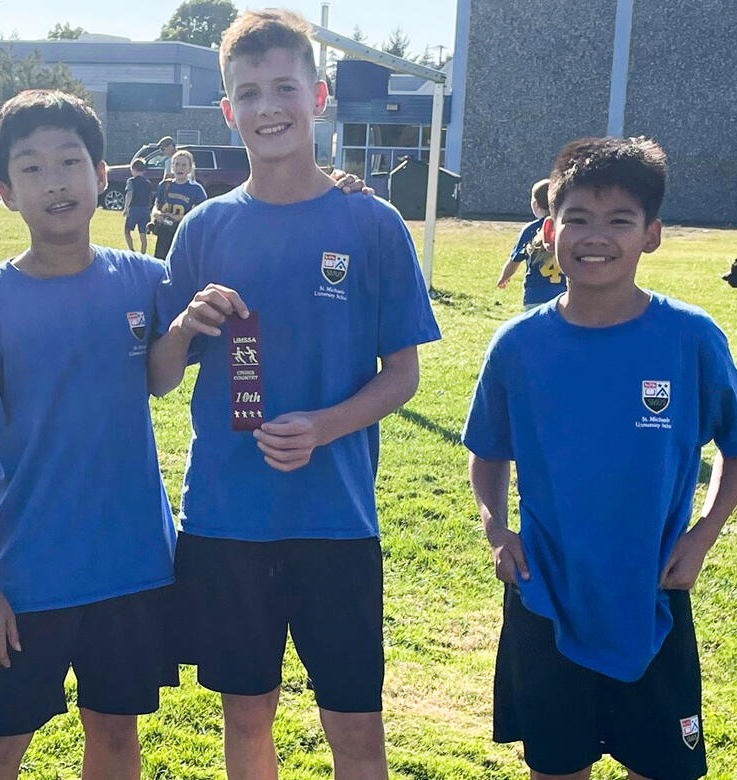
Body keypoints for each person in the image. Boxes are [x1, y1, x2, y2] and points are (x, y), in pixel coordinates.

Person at [148, 10, 441, 779]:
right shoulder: (204, 227)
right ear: (227, 110)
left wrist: (324, 425)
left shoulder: (372, 224)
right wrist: (181, 326)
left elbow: (402, 373)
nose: (267, 106)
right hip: (225, 515)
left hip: (335, 521)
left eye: (284, 87)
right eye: (249, 92)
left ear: (318, 96)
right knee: (246, 718)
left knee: (355, 726)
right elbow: (157, 377)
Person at [463, 136, 737, 780]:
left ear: (651, 234)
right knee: (557, 765)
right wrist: (496, 529)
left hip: (650, 590)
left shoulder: (689, 337)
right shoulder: (518, 345)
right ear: (549, 230)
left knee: (662, 768)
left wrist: (703, 536)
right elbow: (487, 452)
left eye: (619, 221)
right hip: (546, 594)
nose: (595, 236)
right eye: (578, 218)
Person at [0, 89, 177, 780]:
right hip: (25, 581)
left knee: (117, 736)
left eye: (70, 161)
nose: (56, 181)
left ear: (103, 177)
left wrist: (338, 189)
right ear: (6, 192)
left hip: (131, 570)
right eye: (32, 168)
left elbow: (236, 268)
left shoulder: (150, 283)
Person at [496, 178, 564, 309]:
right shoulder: (563, 227)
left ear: (535, 204)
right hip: (562, 295)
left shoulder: (531, 230)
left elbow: (515, 260)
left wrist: (504, 277)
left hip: (535, 295)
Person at [151, 149, 207, 259]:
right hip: (164, 232)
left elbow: (201, 215)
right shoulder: (164, 185)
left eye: (183, 165)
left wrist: (180, 218)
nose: (179, 168)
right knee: (160, 262)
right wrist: (156, 214)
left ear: (190, 168)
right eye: (177, 164)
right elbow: (156, 205)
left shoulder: (196, 189)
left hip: (183, 233)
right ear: (172, 166)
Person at [123, 157, 154, 253]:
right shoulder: (148, 183)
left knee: (127, 231)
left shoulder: (131, 181)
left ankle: (131, 250)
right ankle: (143, 252)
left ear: (132, 169)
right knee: (143, 233)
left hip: (134, 209)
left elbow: (129, 194)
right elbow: (150, 196)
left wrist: (126, 208)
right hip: (145, 210)